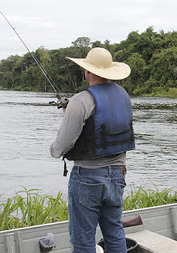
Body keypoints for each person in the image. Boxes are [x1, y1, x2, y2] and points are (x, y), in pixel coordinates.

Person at [50, 47, 134, 253]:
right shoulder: (124, 96)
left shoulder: (80, 101)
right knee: (114, 233)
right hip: (117, 174)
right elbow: (103, 126)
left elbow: (62, 145)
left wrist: (53, 149)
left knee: (83, 239)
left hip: (87, 177)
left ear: (87, 72)